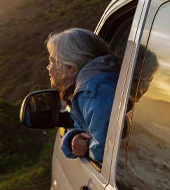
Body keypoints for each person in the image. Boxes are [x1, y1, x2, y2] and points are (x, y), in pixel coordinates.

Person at [46, 28, 120, 162]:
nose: (48, 67)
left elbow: (103, 152)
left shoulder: (93, 94)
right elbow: (83, 124)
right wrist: (74, 137)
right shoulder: (83, 92)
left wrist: (87, 149)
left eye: (52, 61)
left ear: (70, 68)